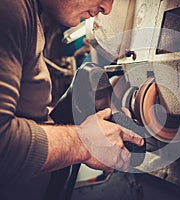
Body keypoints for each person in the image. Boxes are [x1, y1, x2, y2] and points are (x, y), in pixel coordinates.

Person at [0, 0, 144, 199]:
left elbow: (22, 118)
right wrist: (85, 142)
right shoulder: (10, 8)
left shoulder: (29, 14)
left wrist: (90, 121)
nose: (107, 8)